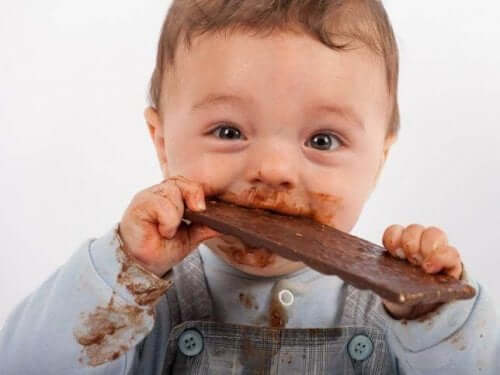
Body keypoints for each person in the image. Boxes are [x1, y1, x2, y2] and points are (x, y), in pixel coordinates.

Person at [1, 0, 497, 374]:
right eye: (229, 132)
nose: (273, 169)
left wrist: (435, 315)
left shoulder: (397, 314)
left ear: (379, 160)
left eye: (322, 139)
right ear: (163, 141)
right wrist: (123, 272)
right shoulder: (144, 299)